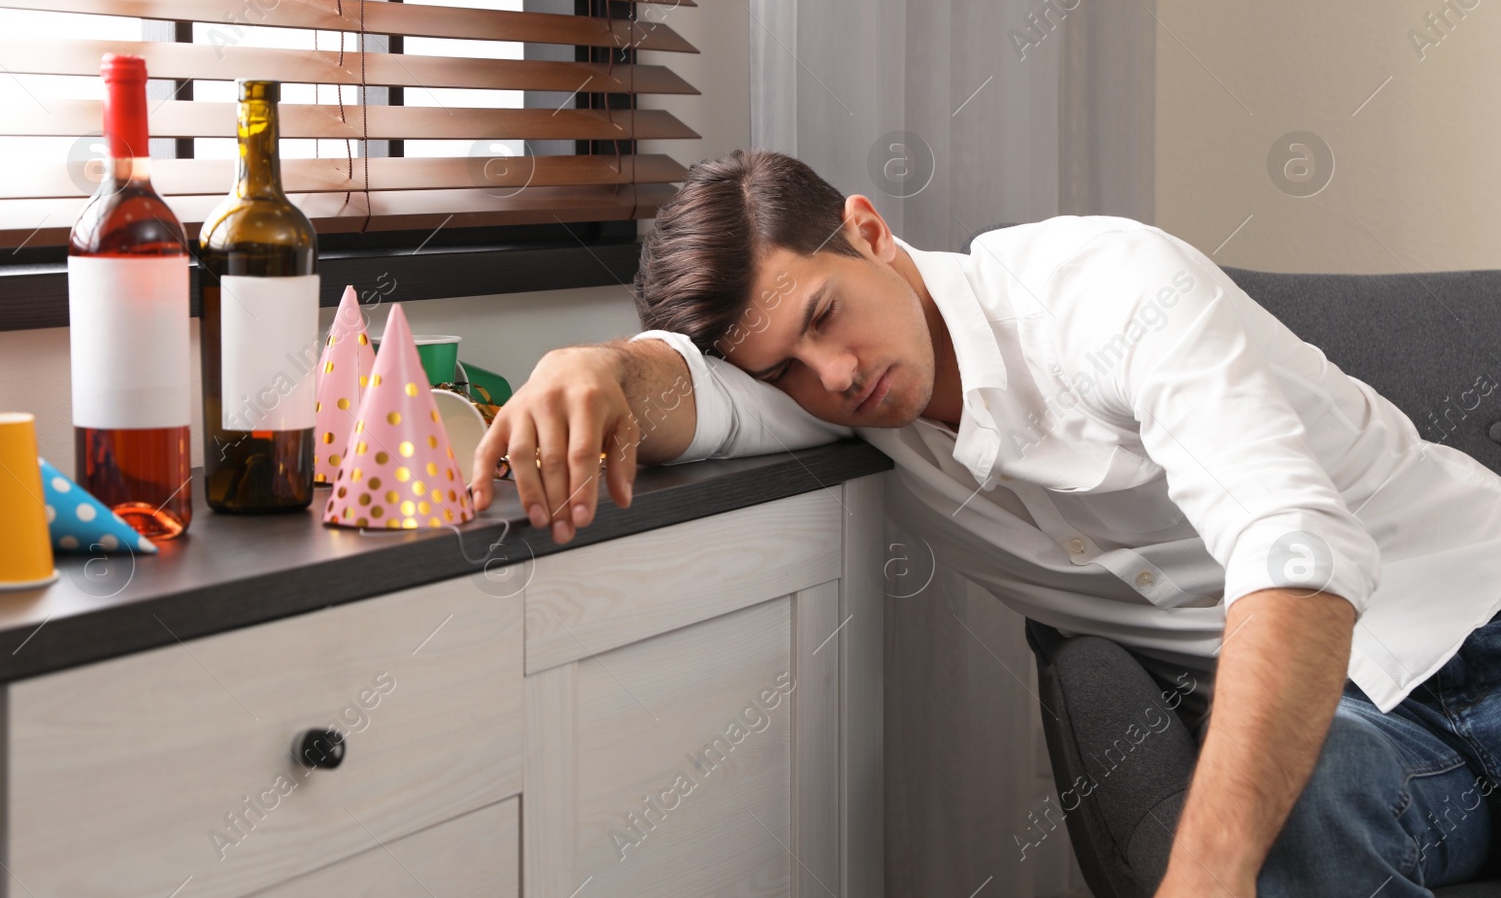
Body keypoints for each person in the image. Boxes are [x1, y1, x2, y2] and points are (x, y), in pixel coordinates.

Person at [468, 148, 1501, 897]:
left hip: (1474, 615)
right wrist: (592, 364)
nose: (833, 373)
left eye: (825, 314)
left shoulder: (1105, 288)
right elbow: (691, 397)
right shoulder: (843, 396)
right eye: (785, 366)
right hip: (1360, 733)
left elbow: (1293, 548)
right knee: (1297, 807)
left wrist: (1202, 874)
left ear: (869, 231)